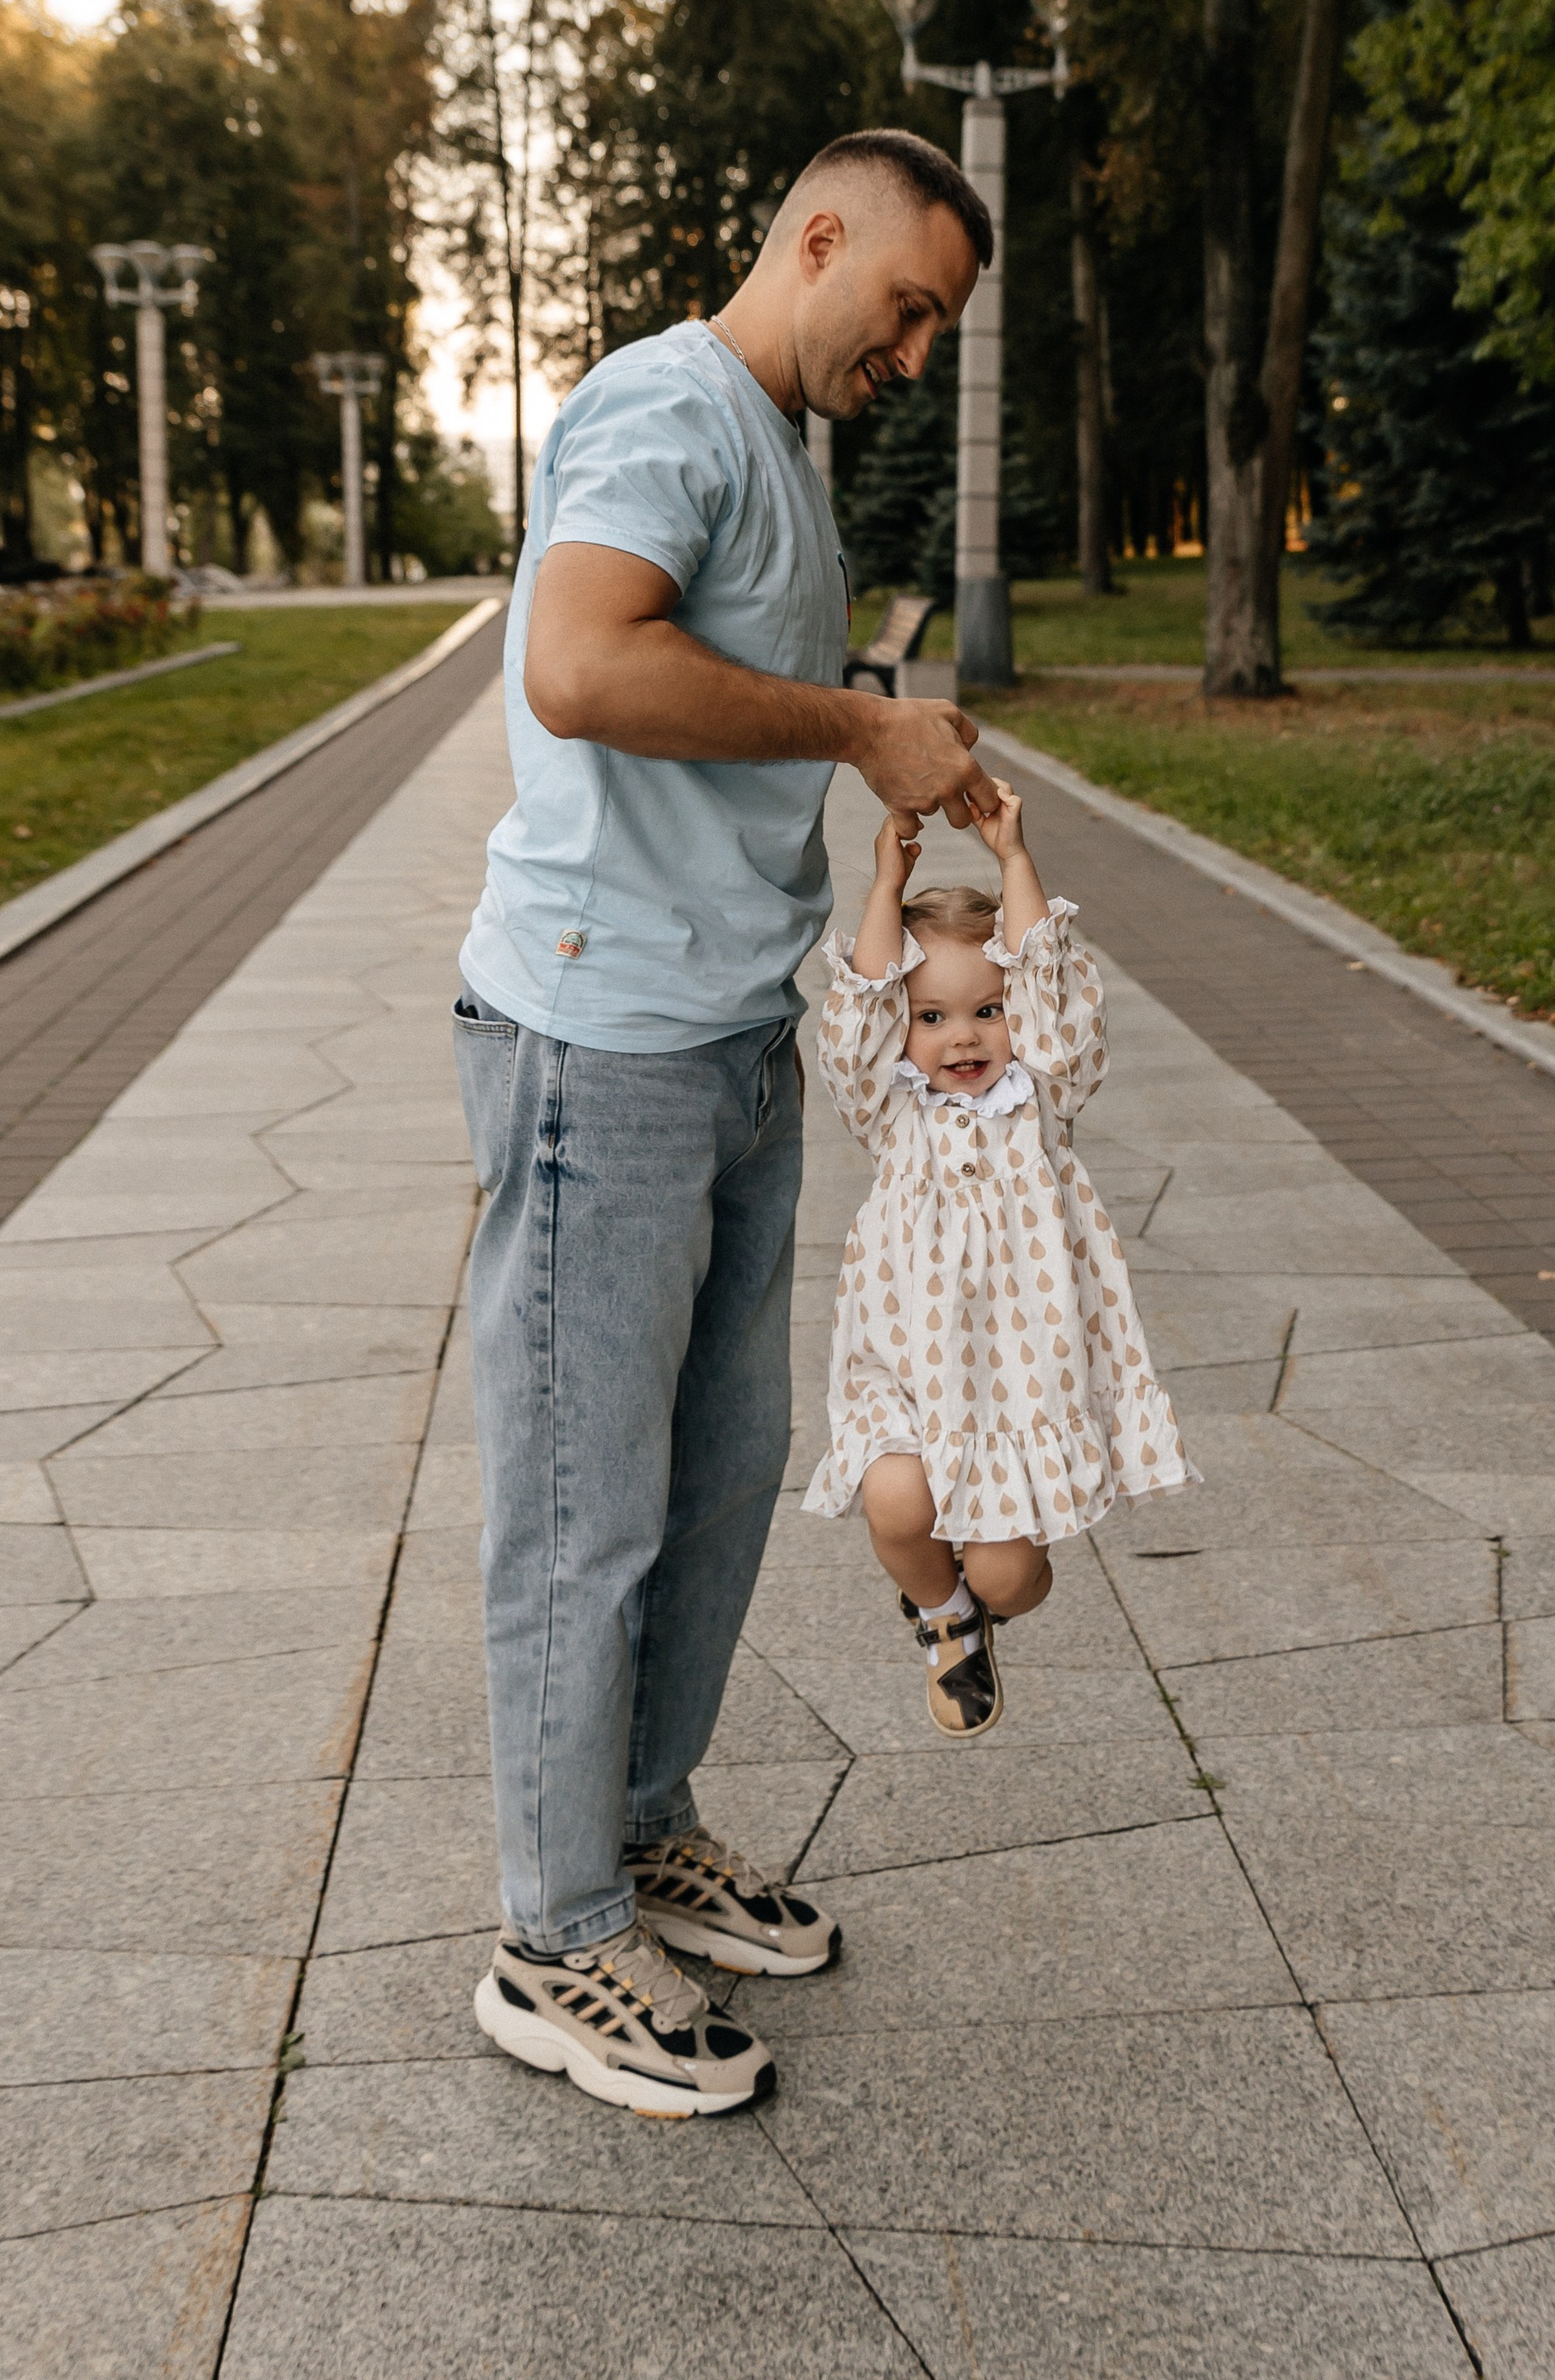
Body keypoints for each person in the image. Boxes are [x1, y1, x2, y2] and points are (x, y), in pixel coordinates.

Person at [453, 128, 1000, 2122]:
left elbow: (695, 679)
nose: (917, 350)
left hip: (718, 1033)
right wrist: (862, 724)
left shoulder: (774, 438)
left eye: (944, 326)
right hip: (597, 1042)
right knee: (583, 1505)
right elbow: (582, 661)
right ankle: (546, 1929)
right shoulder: (666, 401)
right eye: (910, 306)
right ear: (819, 233)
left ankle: (638, 1825)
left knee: (708, 1471)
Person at [806, 780, 1196, 1735]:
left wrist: (1013, 859)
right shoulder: (889, 1109)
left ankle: (982, 1606)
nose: (963, 1036)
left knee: (1012, 1579)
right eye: (931, 1017)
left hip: (1018, 1389)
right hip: (906, 1368)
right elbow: (858, 1011)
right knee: (896, 1504)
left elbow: (1052, 992)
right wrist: (885, 880)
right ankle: (943, 1620)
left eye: (986, 1010)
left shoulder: (1044, 1099)